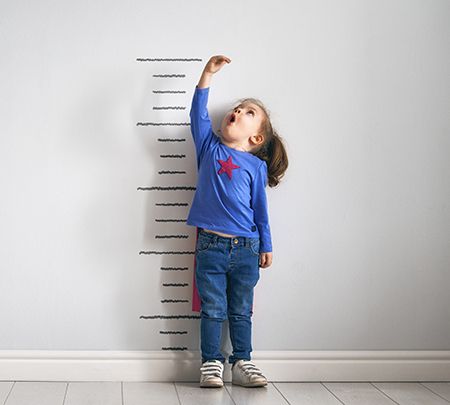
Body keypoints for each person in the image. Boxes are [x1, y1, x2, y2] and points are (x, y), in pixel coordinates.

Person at [186, 55, 288, 388]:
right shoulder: (209, 148)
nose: (239, 111)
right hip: (211, 246)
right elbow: (198, 115)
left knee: (241, 310)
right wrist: (207, 75)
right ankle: (211, 363)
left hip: (246, 248)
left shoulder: (256, 168)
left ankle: (242, 361)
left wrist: (267, 245)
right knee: (213, 308)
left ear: (256, 139)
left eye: (249, 112)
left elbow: (261, 211)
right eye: (239, 107)